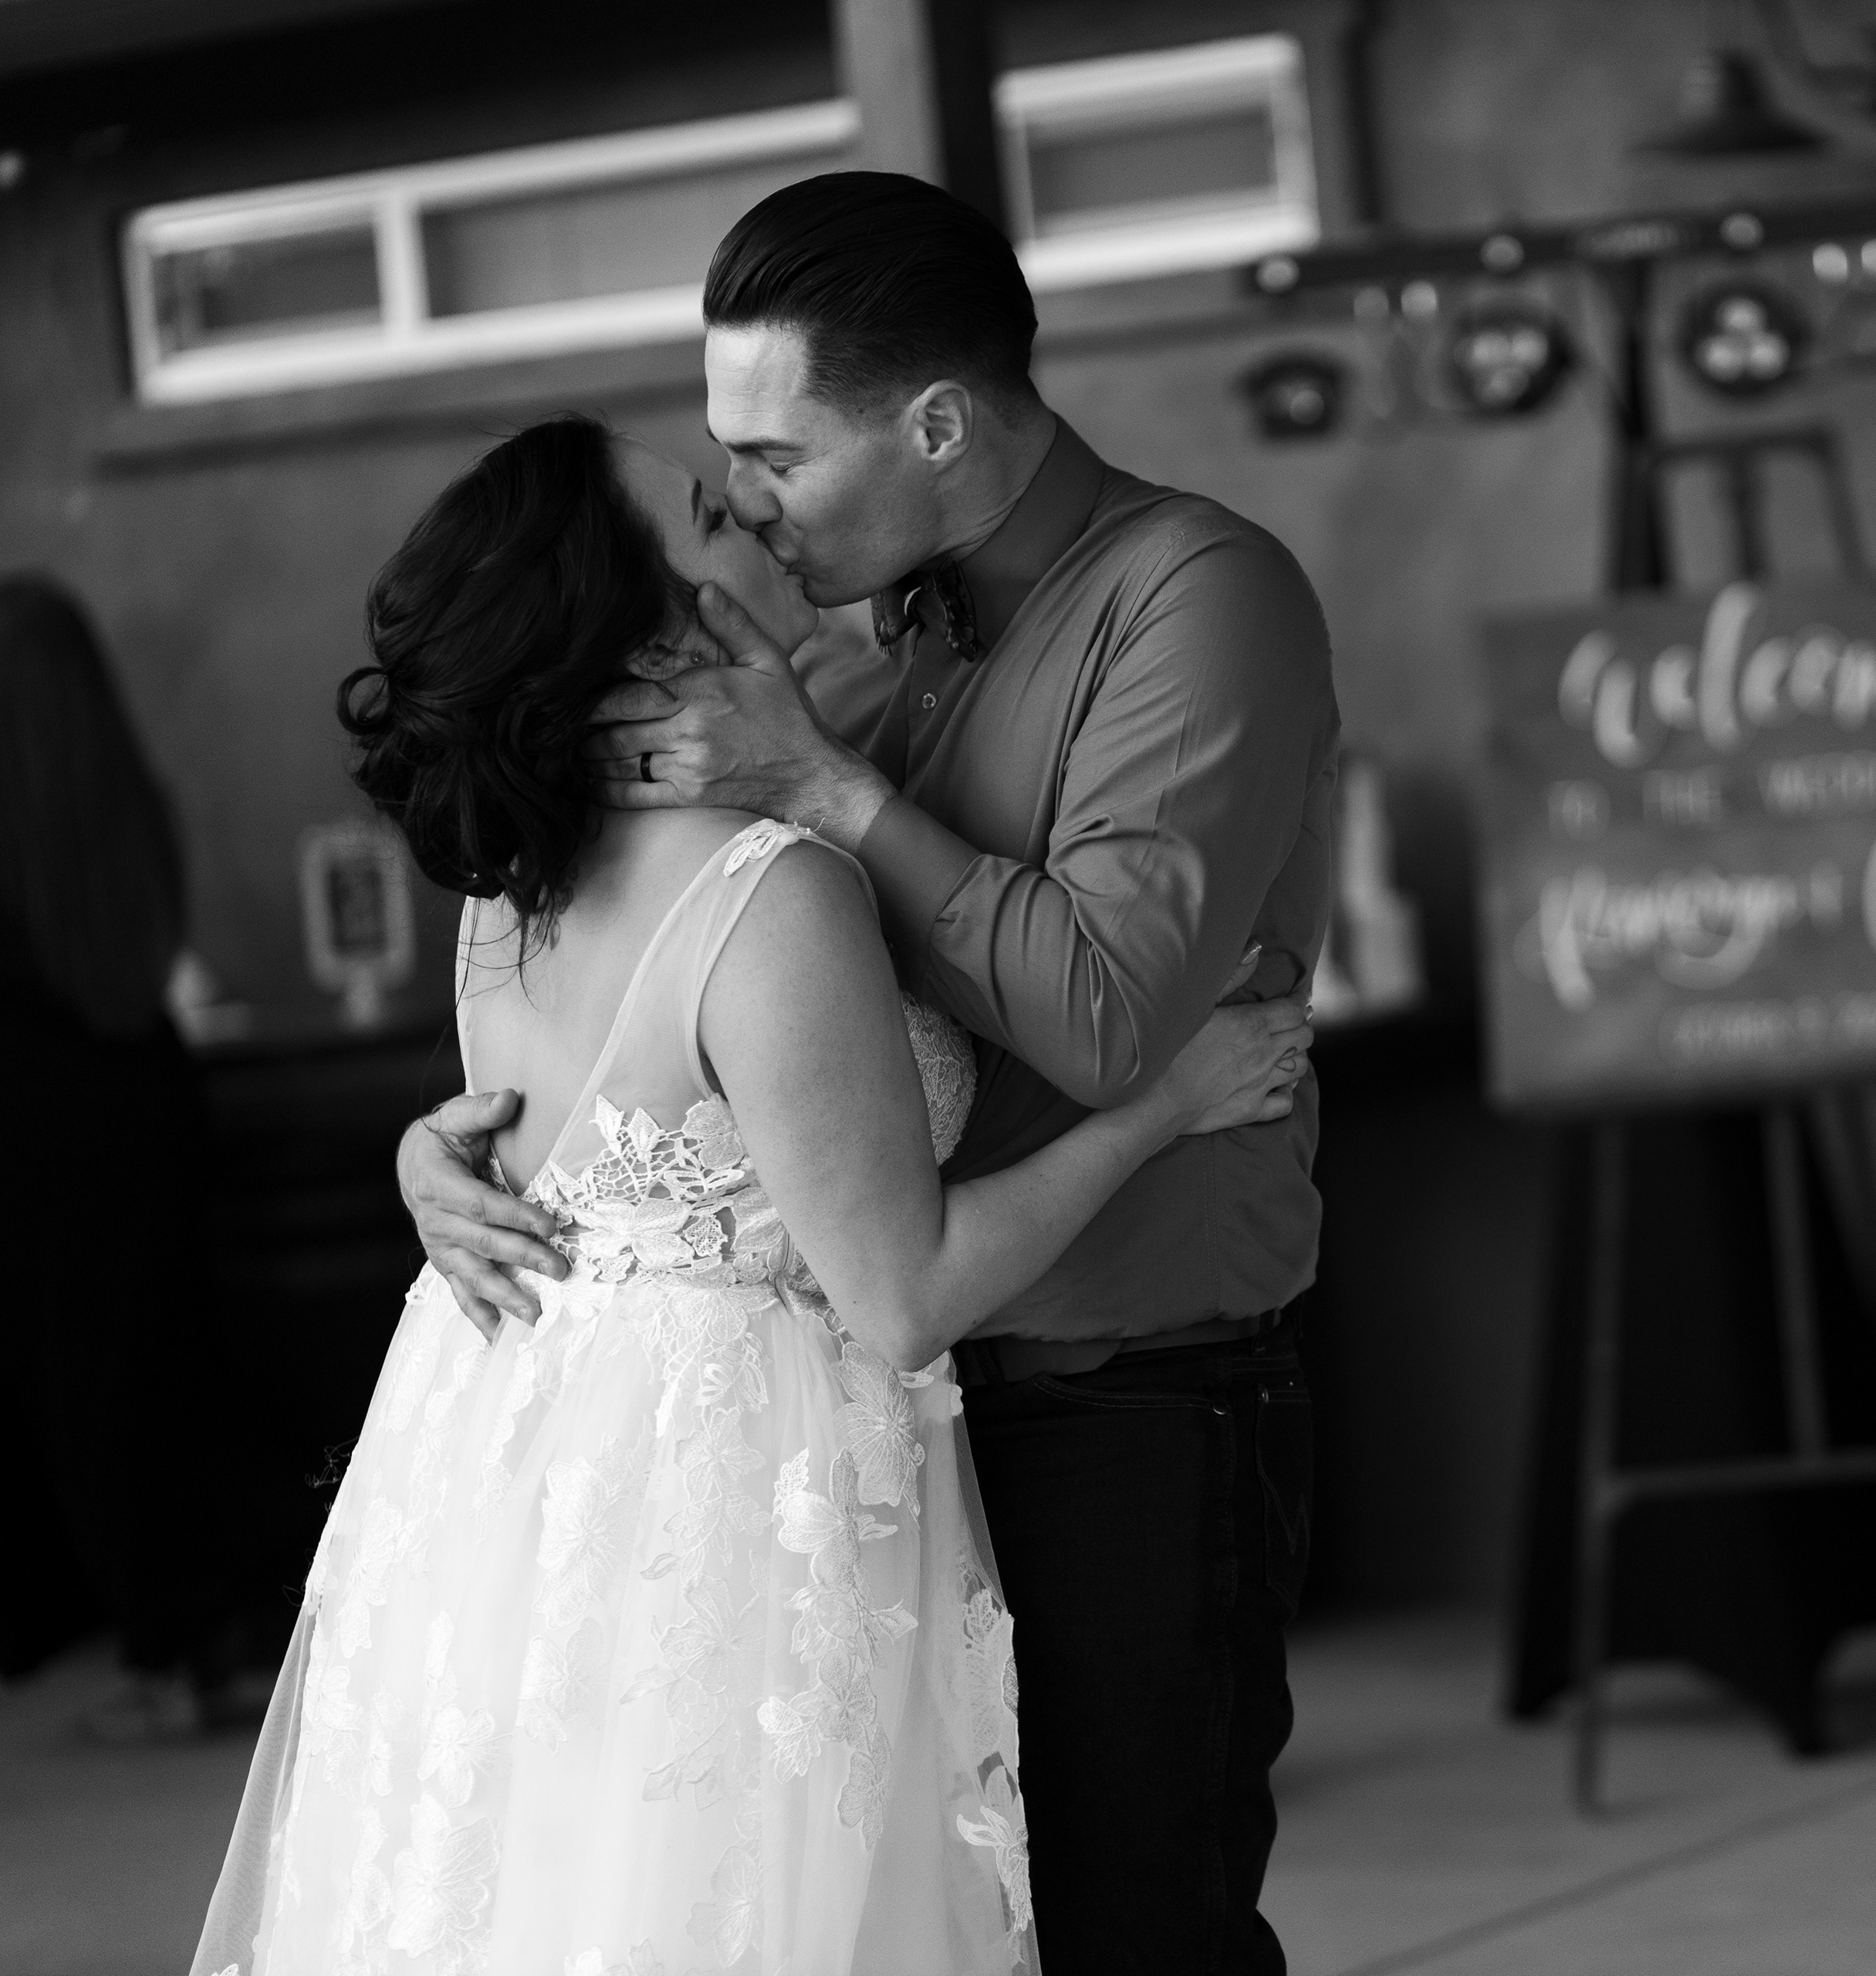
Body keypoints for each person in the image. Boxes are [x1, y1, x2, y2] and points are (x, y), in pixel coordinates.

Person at [191, 414, 1309, 1975]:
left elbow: (561, 1136)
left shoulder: (510, 884)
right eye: (717, 515)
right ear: (655, 627)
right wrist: (1163, 1103)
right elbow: (903, 1294)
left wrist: (424, 1156)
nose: (763, 520)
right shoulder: (770, 889)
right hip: (727, 1506)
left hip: (530, 1490)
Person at [0, 574, 265, 1739]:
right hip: (148, 1097)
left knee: (85, 1392)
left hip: (34, 1109)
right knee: (166, 1370)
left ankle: (160, 1652)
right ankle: (203, 1644)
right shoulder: (123, 796)